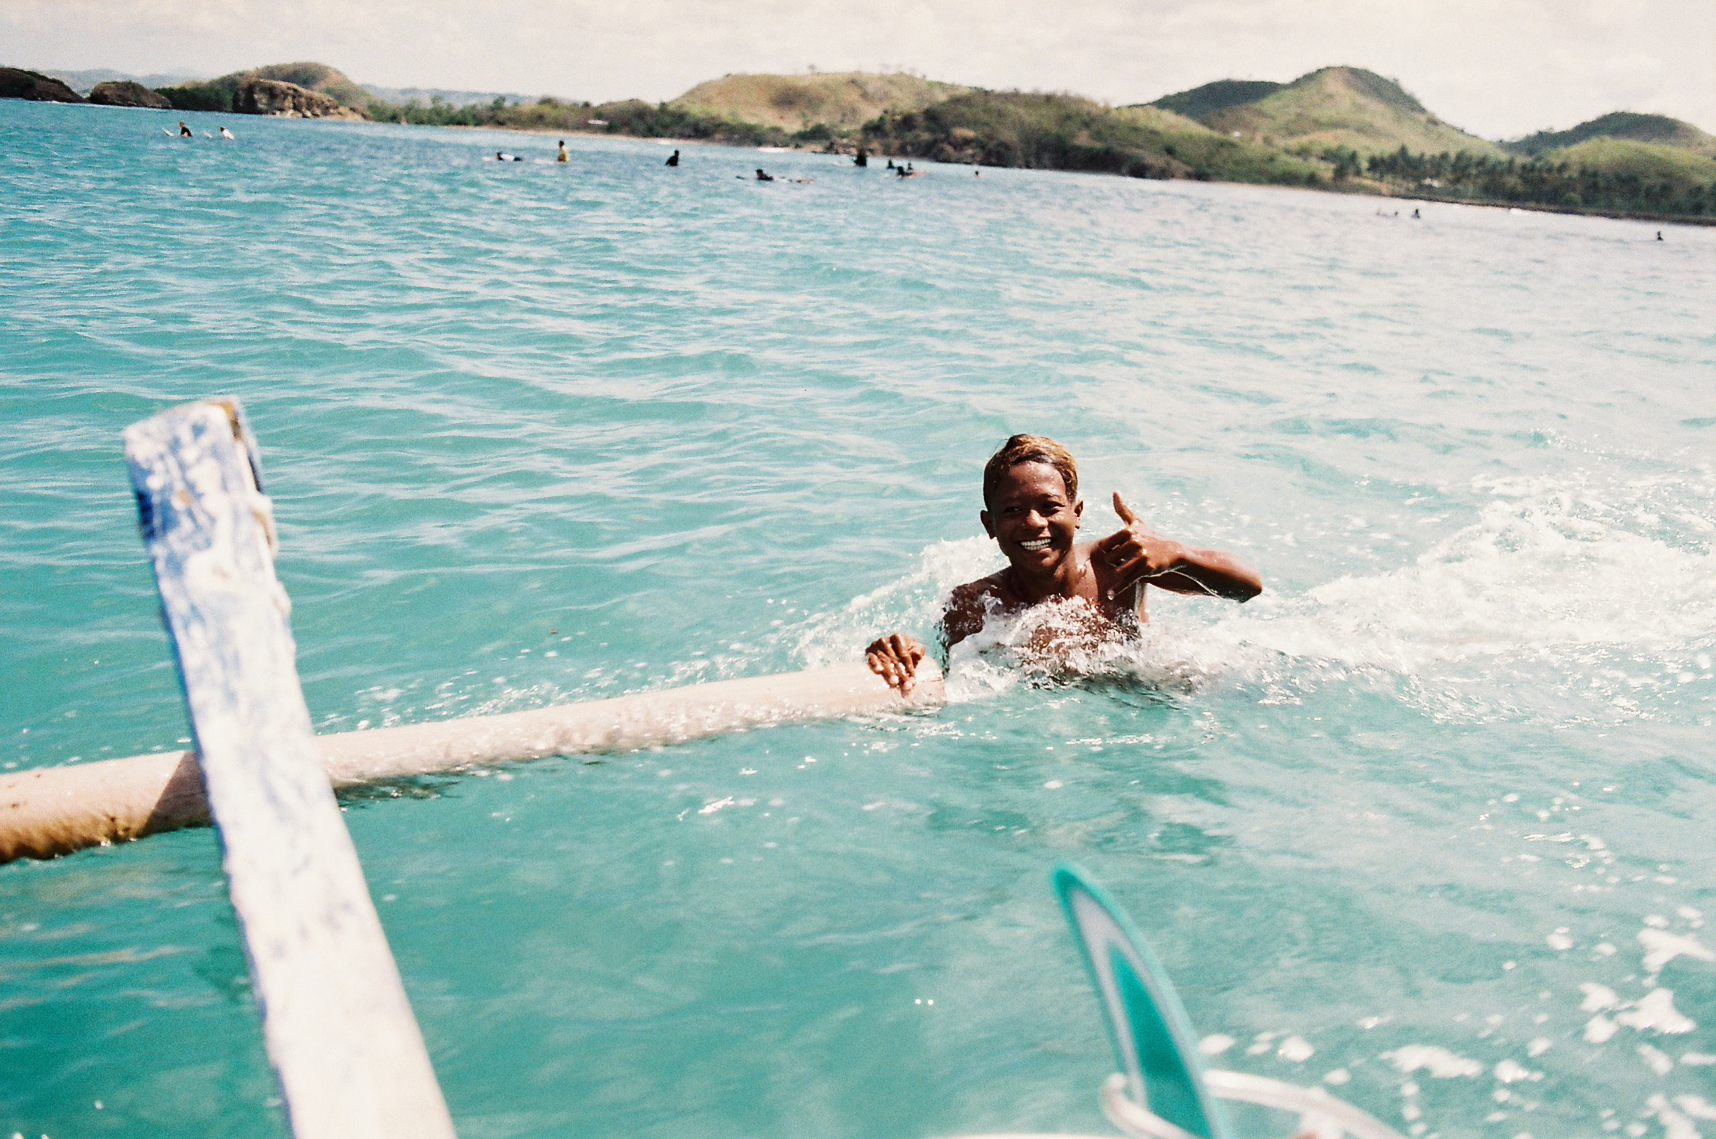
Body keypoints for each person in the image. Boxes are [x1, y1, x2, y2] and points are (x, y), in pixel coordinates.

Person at [865, 434, 1262, 693]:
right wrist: (902, 651)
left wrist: (1175, 554)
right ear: (990, 525)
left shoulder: (1117, 563)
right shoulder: (975, 602)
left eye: (1050, 506)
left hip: (1149, 686)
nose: (1034, 522)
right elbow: (944, 680)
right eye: (1013, 510)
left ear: (1078, 512)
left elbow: (1248, 586)